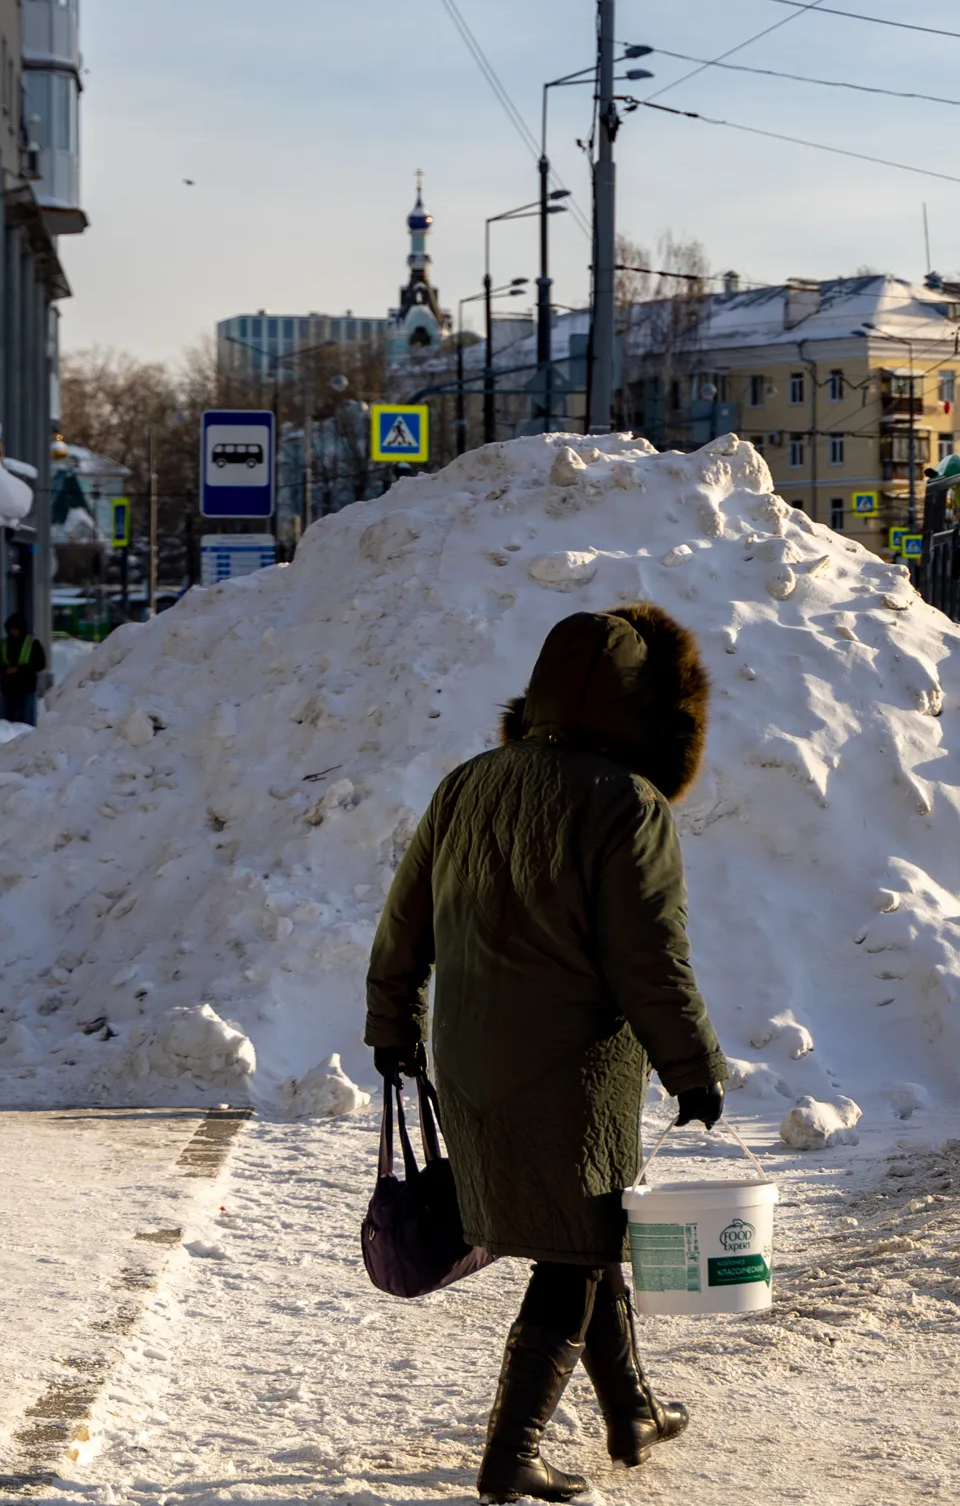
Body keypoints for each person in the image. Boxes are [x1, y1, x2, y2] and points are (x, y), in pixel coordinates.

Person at [365, 603, 726, 1505]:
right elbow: (650, 959)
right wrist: (693, 1066)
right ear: (642, 708)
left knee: (591, 1233)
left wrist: (394, 1026)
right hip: (574, 1073)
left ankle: (631, 1409)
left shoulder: (467, 784)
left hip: (474, 1064)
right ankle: (512, 1453)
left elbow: (403, 928)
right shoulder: (627, 803)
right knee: (573, 1253)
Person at [0, 614, 46, 726]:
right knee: (7, 723)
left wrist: (19, 669)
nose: (13, 631)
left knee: (27, 722)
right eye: (11, 629)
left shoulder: (32, 644)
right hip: (8, 688)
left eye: (16, 628)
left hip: (27, 687)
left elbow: (40, 664)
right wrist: (5, 669)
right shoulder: (3, 644)